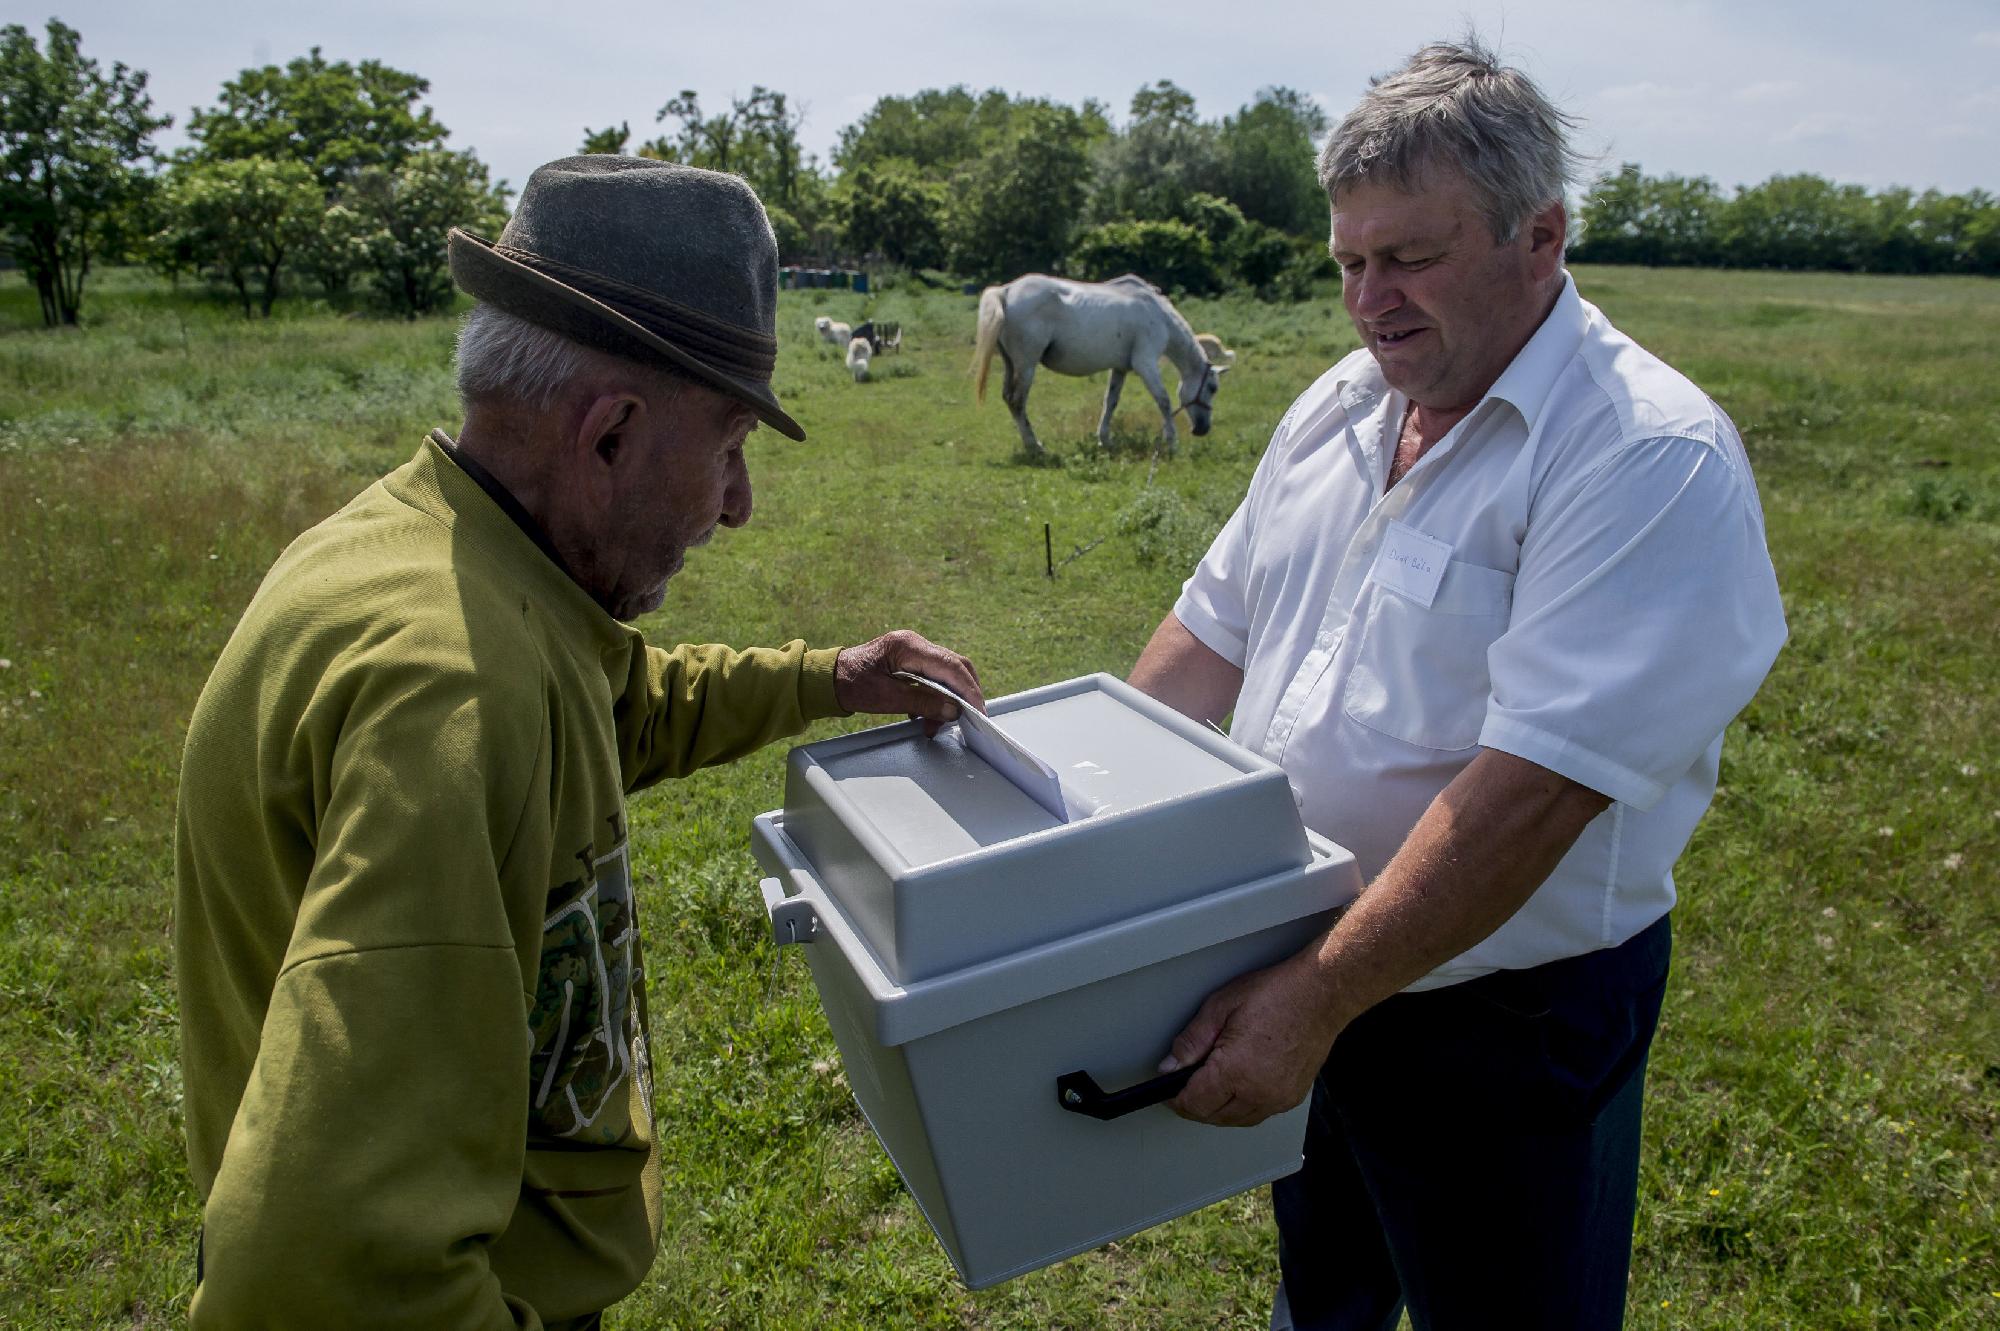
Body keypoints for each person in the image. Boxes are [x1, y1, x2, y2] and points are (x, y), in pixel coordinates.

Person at [173, 157, 984, 1329]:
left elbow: (611, 704)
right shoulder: (452, 694)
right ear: (608, 435)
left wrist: (826, 677)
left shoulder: (446, 560)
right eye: (728, 448)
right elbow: (321, 1272)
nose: (737, 503)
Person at [1127, 36, 1787, 1331]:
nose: (1372, 299)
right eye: (1351, 263)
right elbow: (1210, 633)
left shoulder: (1643, 455)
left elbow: (1528, 797)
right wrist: (1093, 827)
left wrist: (1314, 996)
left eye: (1412, 258)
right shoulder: (1338, 405)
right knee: (1326, 1287)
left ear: (1539, 237)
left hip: (1504, 1019)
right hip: (1306, 960)